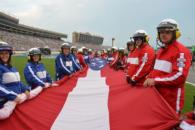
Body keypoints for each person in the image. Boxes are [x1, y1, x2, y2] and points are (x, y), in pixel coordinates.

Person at [144, 19, 192, 113]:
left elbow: (179, 76)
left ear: (175, 33)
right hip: (157, 98)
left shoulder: (181, 51)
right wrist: (149, 77)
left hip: (171, 103)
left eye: (168, 32)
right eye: (161, 32)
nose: (163, 34)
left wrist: (154, 81)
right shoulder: (160, 51)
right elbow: (156, 70)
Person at [0, 42, 30, 119]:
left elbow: (18, 82)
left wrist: (25, 89)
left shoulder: (12, 67)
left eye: (6, 53)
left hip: (17, 99)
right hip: (6, 101)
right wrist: (12, 96)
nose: (4, 55)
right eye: (1, 53)